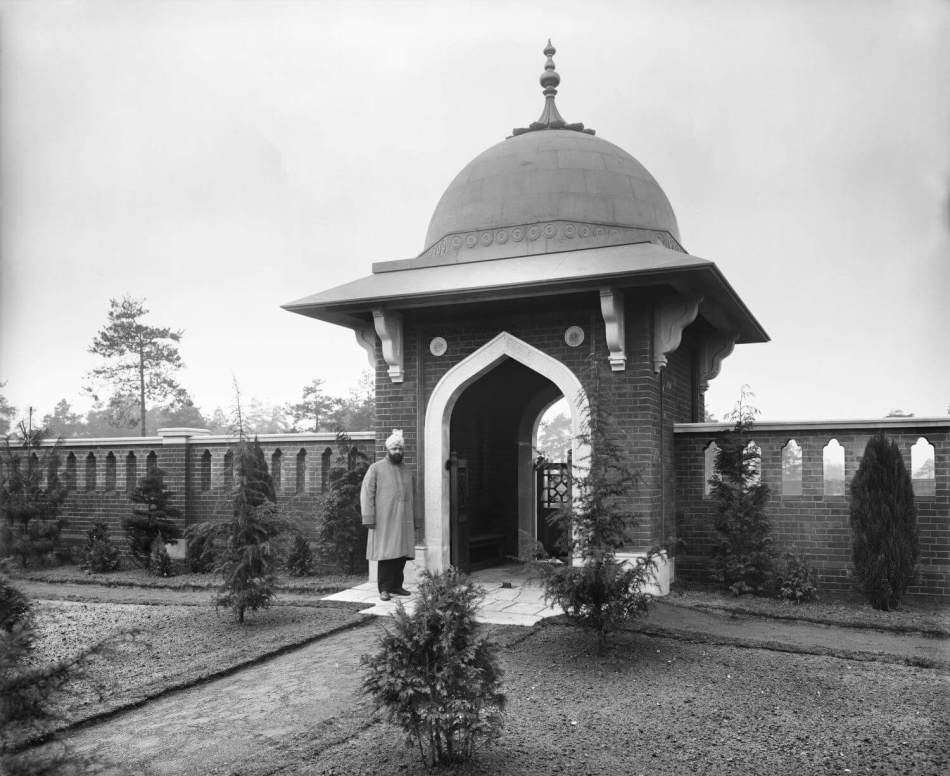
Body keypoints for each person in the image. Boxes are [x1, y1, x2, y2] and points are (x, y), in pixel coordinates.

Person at [360, 429, 415, 601]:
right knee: (386, 555)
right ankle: (384, 588)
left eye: (400, 449)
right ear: (388, 450)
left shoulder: (407, 470)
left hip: (404, 519)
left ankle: (397, 586)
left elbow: (415, 495)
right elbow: (366, 494)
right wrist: (369, 517)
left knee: (402, 554)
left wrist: (417, 519)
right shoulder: (375, 469)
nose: (397, 452)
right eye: (394, 449)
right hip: (384, 520)